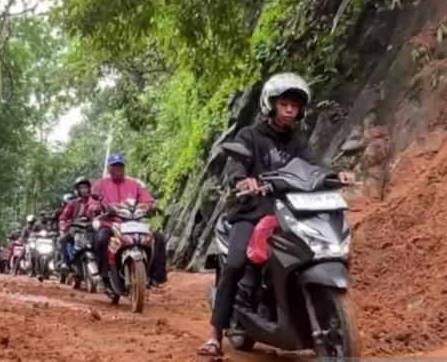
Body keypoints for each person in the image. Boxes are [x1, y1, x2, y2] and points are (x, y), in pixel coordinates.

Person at [196, 72, 357, 356]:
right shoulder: (250, 135)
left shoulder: (297, 142)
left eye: (294, 105)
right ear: (270, 105)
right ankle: (215, 334)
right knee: (234, 265)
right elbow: (237, 162)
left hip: (288, 208)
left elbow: (313, 166)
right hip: (251, 210)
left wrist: (334, 175)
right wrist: (243, 180)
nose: (289, 109)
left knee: (310, 250)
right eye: (284, 103)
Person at [91, 152, 168, 290]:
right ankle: (103, 276)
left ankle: (156, 276)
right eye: (115, 166)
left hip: (135, 223)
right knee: (101, 238)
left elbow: (147, 199)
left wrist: (151, 206)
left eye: (120, 166)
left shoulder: (134, 184)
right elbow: (92, 203)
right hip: (110, 222)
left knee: (159, 238)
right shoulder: (100, 184)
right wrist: (96, 208)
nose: (118, 169)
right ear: (109, 168)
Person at [58, 177, 99, 271]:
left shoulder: (95, 202)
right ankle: (66, 263)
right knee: (63, 239)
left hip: (92, 230)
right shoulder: (73, 203)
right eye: (81, 188)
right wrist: (63, 222)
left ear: (89, 189)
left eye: (86, 187)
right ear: (77, 190)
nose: (84, 190)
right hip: (76, 230)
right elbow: (64, 216)